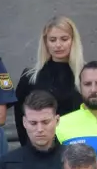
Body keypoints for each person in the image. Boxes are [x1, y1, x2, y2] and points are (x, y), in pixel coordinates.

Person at [14, 17, 84, 146]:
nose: (58, 45)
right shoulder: (30, 78)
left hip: (76, 149)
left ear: (73, 41)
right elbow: (20, 119)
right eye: (52, 40)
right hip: (39, 149)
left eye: (64, 39)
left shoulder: (85, 77)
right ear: (45, 42)